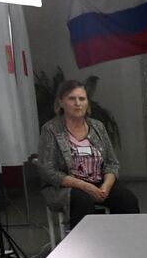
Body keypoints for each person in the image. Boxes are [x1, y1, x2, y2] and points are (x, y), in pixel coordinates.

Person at [37, 79, 141, 228]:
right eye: (72, 99)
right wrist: (85, 186)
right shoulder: (51, 130)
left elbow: (112, 163)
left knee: (127, 199)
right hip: (67, 188)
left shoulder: (98, 126)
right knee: (83, 201)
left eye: (82, 99)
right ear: (61, 102)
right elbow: (48, 170)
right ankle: (85, 247)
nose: (78, 103)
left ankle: (126, 242)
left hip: (99, 183)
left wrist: (105, 186)